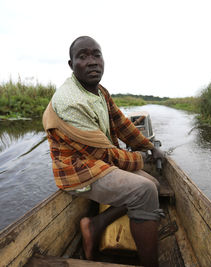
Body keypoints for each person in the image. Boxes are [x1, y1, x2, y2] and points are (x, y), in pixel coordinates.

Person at [42, 36, 164, 267]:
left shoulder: (99, 91)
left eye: (96, 55)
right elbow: (107, 155)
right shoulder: (70, 102)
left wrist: (148, 146)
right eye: (83, 56)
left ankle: (95, 224)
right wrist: (143, 158)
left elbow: (122, 125)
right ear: (71, 65)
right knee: (145, 190)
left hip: (97, 164)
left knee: (154, 186)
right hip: (79, 172)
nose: (92, 61)